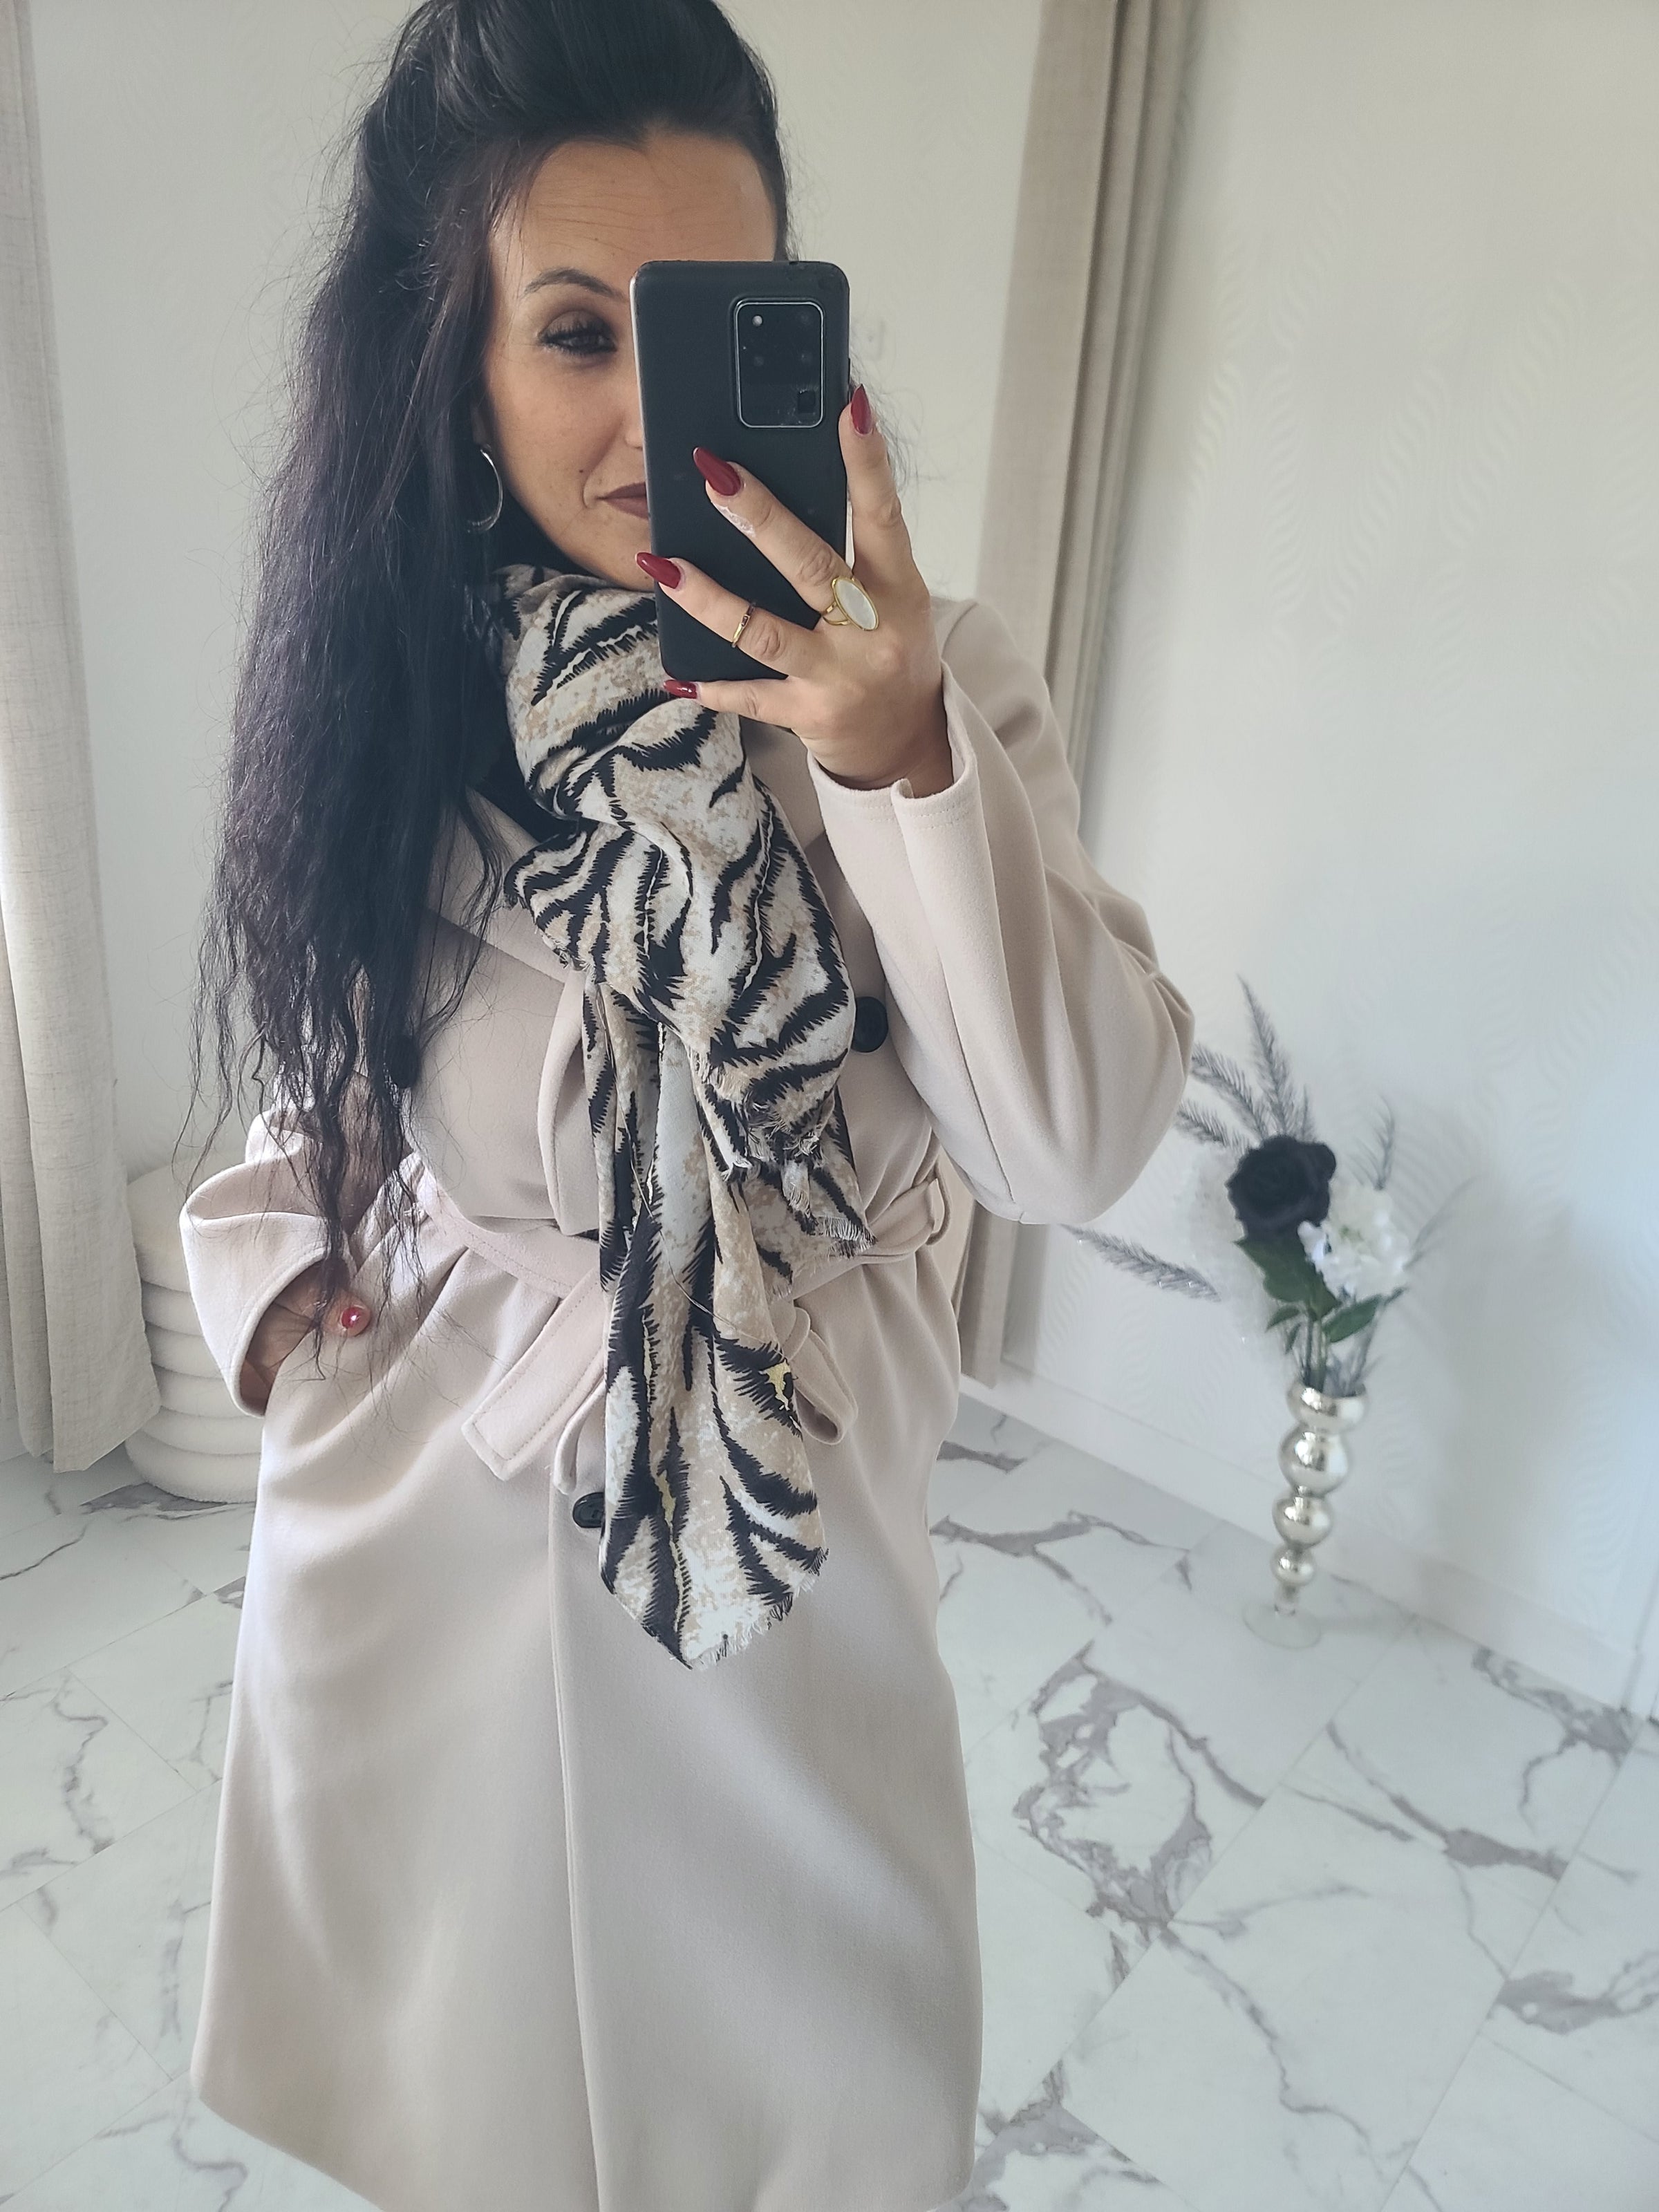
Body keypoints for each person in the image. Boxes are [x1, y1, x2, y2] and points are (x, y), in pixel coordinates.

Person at [179, 3, 1196, 2209]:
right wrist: (269, 1282)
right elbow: (330, 1045)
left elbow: (1074, 1139)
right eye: (575, 333)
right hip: (435, 1521)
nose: (651, 414)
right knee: (463, 2107)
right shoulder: (395, 667)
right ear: (456, 358)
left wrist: (893, 757)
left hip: (772, 1559)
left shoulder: (936, 681)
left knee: (790, 2111)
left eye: (709, 326)